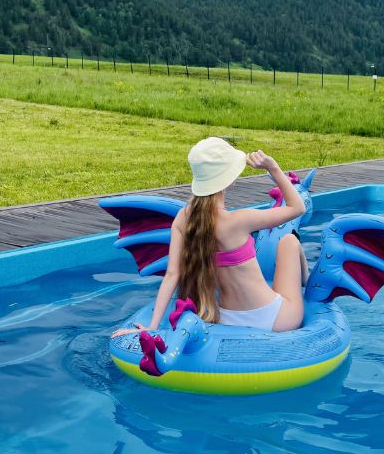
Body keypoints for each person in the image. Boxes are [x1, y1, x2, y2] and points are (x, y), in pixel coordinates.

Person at [112, 137, 308, 336]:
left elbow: (172, 275)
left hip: (228, 321)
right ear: (229, 179)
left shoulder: (183, 219)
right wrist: (273, 168)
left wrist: (153, 326)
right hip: (275, 319)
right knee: (289, 241)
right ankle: (308, 284)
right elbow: (297, 207)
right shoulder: (240, 220)